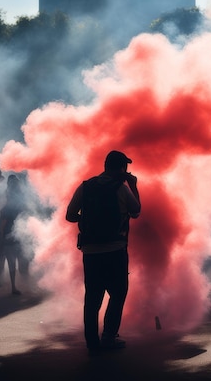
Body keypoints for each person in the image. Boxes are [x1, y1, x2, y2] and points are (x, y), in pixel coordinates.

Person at [66, 150, 141, 354]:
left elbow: (70, 215)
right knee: (117, 294)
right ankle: (108, 337)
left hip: (90, 251)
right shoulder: (122, 188)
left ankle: (92, 342)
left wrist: (88, 220)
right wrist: (133, 185)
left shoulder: (86, 186)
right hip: (115, 250)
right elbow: (136, 211)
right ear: (122, 168)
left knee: (92, 297)